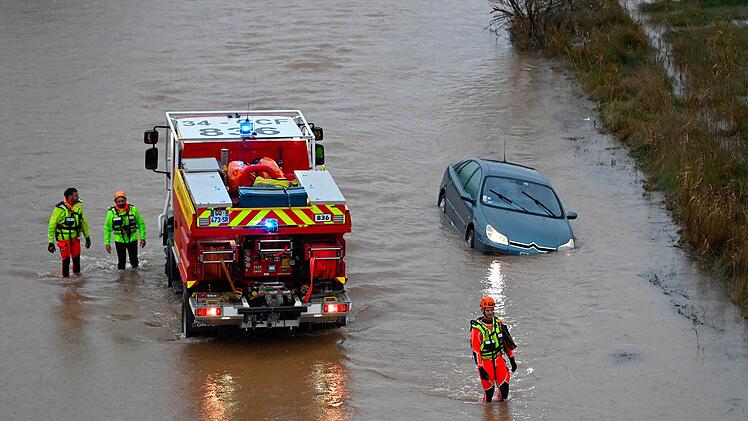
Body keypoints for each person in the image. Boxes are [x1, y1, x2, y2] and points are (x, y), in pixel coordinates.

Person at [470, 296, 517, 402]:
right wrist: (481, 369)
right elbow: (476, 351)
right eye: (487, 310)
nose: (490, 313)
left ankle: (503, 415)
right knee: (489, 395)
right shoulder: (477, 329)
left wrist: (512, 359)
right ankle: (487, 414)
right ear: (482, 310)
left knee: (504, 392)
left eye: (492, 310)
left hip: (499, 361)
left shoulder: (499, 324)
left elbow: (507, 343)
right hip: (486, 364)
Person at [48, 187, 91, 277]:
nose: (78, 197)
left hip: (75, 238)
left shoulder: (78, 207)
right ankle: (66, 282)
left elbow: (83, 222)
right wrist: (51, 243)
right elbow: (52, 225)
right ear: (70, 197)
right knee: (66, 261)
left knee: (76, 260)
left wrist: (87, 237)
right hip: (64, 240)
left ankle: (77, 281)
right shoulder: (59, 209)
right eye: (76, 196)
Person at [103, 191, 146, 270]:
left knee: (134, 261)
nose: (121, 203)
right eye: (118, 201)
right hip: (119, 240)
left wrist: (143, 238)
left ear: (125, 200)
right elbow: (107, 228)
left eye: (122, 201)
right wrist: (107, 243)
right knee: (121, 262)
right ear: (115, 202)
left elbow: (141, 224)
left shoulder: (133, 210)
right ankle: (121, 280)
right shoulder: (111, 213)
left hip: (132, 238)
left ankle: (135, 278)